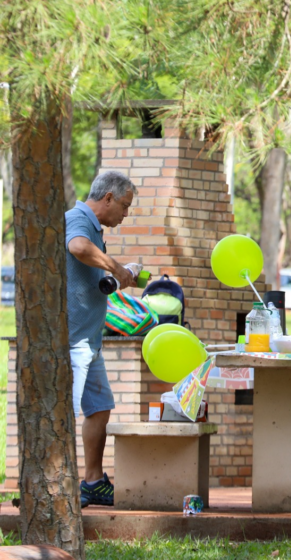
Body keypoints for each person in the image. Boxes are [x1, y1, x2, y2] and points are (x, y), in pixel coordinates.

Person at [66, 171, 137, 508]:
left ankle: (93, 482)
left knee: (99, 409)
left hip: (89, 341)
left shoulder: (95, 229)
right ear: (108, 197)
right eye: (124, 206)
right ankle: (50, 486)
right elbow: (78, 247)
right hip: (69, 341)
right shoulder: (77, 219)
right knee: (61, 415)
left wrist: (118, 276)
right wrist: (115, 266)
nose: (125, 214)